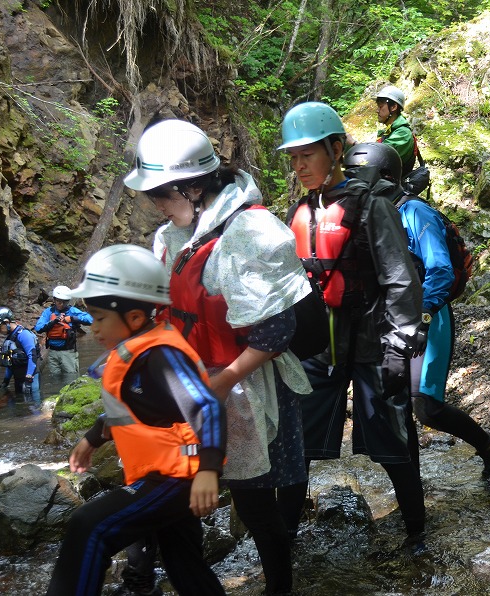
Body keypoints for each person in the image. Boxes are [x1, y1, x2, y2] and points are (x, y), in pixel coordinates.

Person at [124, 118, 314, 596]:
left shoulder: (250, 232)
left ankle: (278, 588)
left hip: (242, 384)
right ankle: (153, 579)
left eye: (161, 196)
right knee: (167, 487)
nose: (156, 206)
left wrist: (224, 381)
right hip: (189, 384)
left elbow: (278, 329)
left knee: (253, 503)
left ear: (191, 187)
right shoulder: (171, 235)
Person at [278, 102, 428, 550]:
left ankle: (416, 531)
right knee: (296, 445)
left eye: (309, 154)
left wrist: (400, 344)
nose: (300, 165)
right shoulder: (301, 212)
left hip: (371, 341)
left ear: (336, 149)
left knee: (392, 442)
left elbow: (400, 276)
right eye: (294, 157)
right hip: (316, 347)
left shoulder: (372, 206)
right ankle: (282, 540)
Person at [45, 244, 226, 596]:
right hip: (169, 472)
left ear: (135, 318)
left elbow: (207, 407)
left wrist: (209, 470)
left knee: (90, 526)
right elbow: (133, 411)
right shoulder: (136, 352)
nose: (93, 328)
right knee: (184, 561)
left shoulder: (161, 356)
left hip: (178, 475)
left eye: (99, 318)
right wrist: (92, 438)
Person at [342, 142, 490, 484]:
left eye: (360, 176)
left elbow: (441, 270)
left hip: (428, 316)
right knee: (399, 406)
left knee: (426, 405)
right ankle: (412, 493)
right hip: (387, 321)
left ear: (385, 176)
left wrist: (425, 316)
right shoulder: (366, 215)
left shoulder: (416, 213)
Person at [33, 285, 93, 381]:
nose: (61, 304)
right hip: (52, 353)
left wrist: (73, 318)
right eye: (59, 301)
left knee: (71, 378)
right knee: (55, 379)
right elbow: (38, 328)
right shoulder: (48, 312)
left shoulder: (72, 311)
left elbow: (91, 319)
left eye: (64, 302)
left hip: (68, 353)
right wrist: (53, 322)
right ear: (54, 299)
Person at [0, 306, 40, 401]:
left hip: (30, 379)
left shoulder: (24, 335)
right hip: (18, 378)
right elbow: (10, 363)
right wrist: (6, 381)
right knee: (19, 406)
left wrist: (28, 378)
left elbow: (32, 356)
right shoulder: (9, 339)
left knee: (33, 405)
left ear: (6, 322)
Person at [376, 85, 417, 176]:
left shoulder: (402, 133)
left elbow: (377, 156)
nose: (377, 110)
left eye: (381, 106)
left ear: (393, 107)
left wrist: (354, 144)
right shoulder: (390, 131)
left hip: (391, 187)